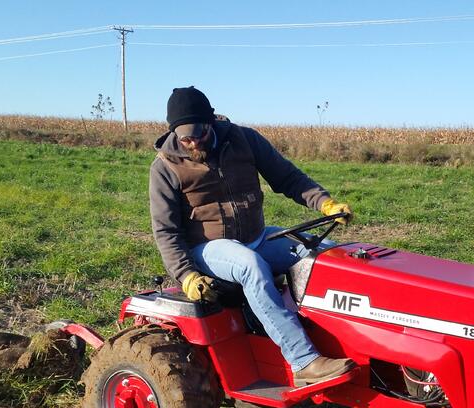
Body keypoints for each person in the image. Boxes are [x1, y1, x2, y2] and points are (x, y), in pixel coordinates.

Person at [148, 86, 356, 387]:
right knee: (251, 266)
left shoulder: (244, 140)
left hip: (256, 236)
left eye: (198, 135)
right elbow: (165, 230)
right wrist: (186, 275)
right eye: (185, 139)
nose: (193, 143)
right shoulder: (165, 167)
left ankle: (348, 342)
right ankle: (303, 361)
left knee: (325, 253)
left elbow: (288, 177)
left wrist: (325, 203)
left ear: (210, 122)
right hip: (207, 248)